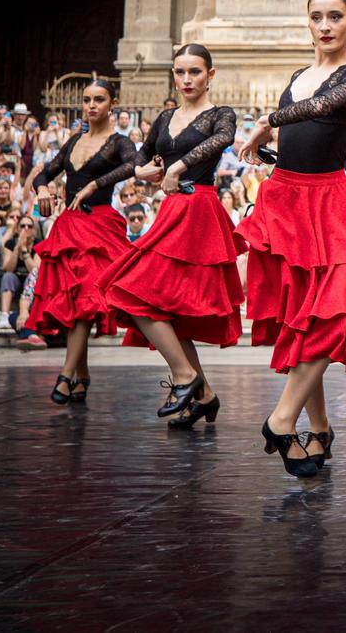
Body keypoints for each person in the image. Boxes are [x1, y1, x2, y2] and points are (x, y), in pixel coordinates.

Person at [239, 0, 346, 478]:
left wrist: (266, 121)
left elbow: (326, 107)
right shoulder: (298, 75)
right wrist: (269, 148)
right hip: (286, 199)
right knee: (304, 318)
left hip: (331, 202)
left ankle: (283, 419)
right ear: (308, 23)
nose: (325, 25)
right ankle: (319, 428)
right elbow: (299, 131)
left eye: (335, 16)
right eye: (317, 17)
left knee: (335, 306)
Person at [98, 45, 246, 429]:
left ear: (210, 75)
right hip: (171, 212)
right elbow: (141, 159)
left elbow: (222, 140)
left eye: (194, 72)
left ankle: (185, 377)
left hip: (199, 211)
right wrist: (142, 173)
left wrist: (177, 167)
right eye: (180, 73)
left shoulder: (220, 114)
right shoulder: (165, 117)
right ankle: (204, 394)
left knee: (136, 293)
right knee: (138, 295)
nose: (186, 80)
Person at [24, 79, 139, 405]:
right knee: (77, 304)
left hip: (100, 226)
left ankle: (66, 374)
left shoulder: (118, 142)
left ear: (111, 104)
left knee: (87, 298)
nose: (92, 105)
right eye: (87, 99)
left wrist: (96, 184)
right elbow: (46, 171)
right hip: (70, 228)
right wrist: (43, 188)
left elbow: (134, 165)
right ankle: (82, 374)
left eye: (99, 99)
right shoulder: (74, 141)